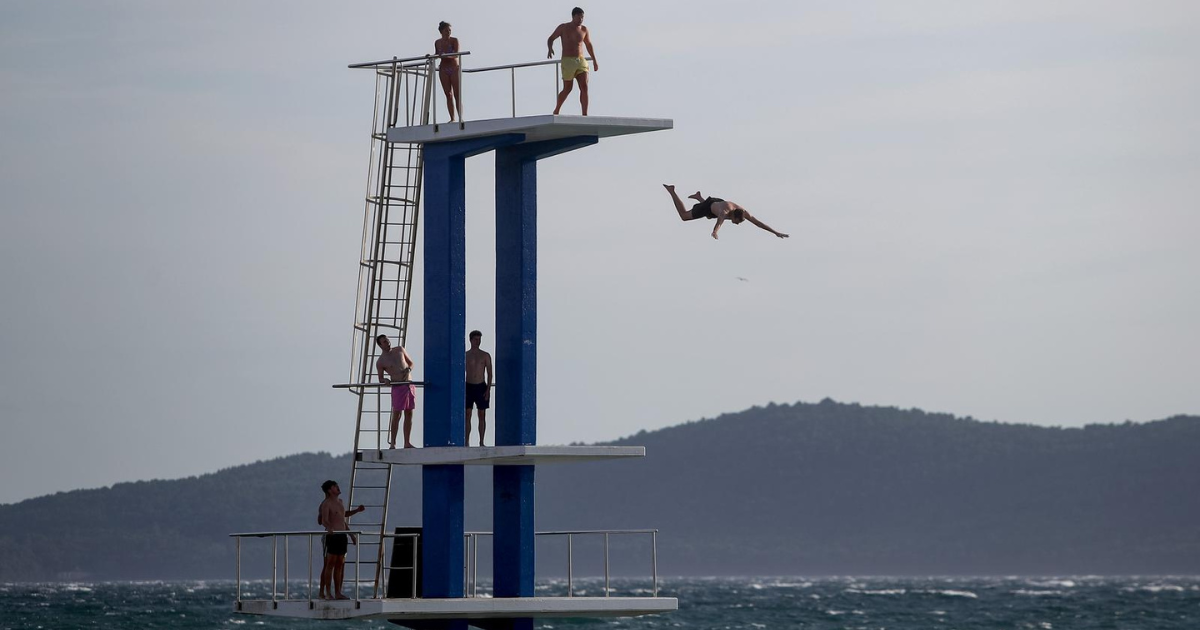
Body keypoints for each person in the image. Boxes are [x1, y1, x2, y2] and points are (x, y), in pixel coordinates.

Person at [662, 184, 790, 240]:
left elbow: (758, 223)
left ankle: (699, 196)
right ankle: (672, 191)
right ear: (732, 215)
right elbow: (719, 222)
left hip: (717, 203)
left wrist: (775, 232)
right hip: (710, 206)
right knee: (684, 216)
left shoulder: (743, 212)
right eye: (736, 222)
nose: (737, 224)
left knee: (710, 214)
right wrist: (715, 232)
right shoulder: (724, 212)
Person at [317, 480, 365, 600]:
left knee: (340, 564)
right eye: (334, 486)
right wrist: (329, 527)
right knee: (329, 564)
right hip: (332, 536)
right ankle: (327, 592)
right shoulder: (326, 503)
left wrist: (351, 534)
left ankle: (338, 592)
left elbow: (343, 517)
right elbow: (323, 520)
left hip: (342, 535)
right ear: (329, 490)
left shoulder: (340, 502)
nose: (337, 487)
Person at [547, 7, 598, 116]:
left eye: (582, 17)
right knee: (568, 88)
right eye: (579, 16)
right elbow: (551, 38)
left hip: (581, 61)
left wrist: (594, 60)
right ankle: (557, 110)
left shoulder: (584, 29)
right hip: (567, 61)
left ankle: (585, 114)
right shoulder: (563, 27)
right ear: (573, 16)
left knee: (584, 86)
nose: (581, 19)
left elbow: (588, 45)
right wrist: (550, 48)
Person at [376, 335, 416, 449]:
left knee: (409, 413)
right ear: (380, 345)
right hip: (397, 386)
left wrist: (409, 369)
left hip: (409, 384)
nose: (387, 343)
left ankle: (407, 442)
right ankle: (393, 443)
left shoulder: (399, 349)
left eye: (387, 340)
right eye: (384, 342)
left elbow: (411, 363)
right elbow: (380, 378)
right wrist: (385, 380)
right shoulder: (381, 361)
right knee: (397, 415)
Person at [464, 330, 493, 447]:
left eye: (479, 339)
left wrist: (488, 389)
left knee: (482, 414)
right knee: (467, 413)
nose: (478, 342)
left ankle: (481, 441)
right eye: (476, 339)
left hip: (481, 386)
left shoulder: (485, 355)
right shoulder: (466, 355)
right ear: (470, 340)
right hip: (468, 385)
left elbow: (490, 373)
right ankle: (466, 441)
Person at [433, 21, 463, 123]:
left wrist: (446, 55)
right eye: (446, 30)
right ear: (441, 31)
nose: (448, 32)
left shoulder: (454, 40)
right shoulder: (437, 42)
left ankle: (460, 118)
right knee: (448, 94)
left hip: (454, 67)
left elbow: (456, 54)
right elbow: (437, 54)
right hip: (444, 69)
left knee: (457, 94)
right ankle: (452, 118)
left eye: (449, 30)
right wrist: (432, 56)